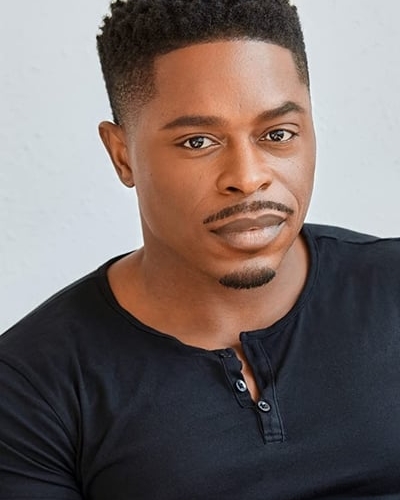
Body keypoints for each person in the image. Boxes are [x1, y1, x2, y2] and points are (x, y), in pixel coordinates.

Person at [1, 0, 400, 498]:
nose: (248, 177)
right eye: (197, 142)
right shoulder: (30, 388)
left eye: (277, 134)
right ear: (122, 156)